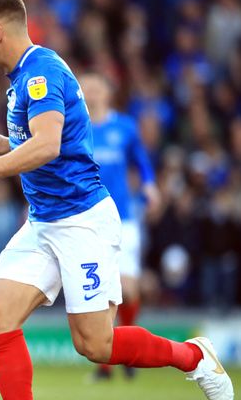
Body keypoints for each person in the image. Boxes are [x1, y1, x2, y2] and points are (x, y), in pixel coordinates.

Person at [0, 0, 233, 400]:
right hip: (43, 221)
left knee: (95, 345)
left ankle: (194, 357)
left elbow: (48, 145)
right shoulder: (21, 78)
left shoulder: (40, 74)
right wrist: (9, 143)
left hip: (82, 221)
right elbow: (53, 141)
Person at [80, 72, 161, 380]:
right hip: (87, 219)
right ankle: (104, 366)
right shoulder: (75, 126)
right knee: (100, 291)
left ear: (107, 93)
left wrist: (150, 186)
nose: (92, 93)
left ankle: (126, 352)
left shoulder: (124, 127)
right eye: (86, 88)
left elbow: (141, 160)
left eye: (96, 87)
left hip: (123, 218)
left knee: (127, 287)